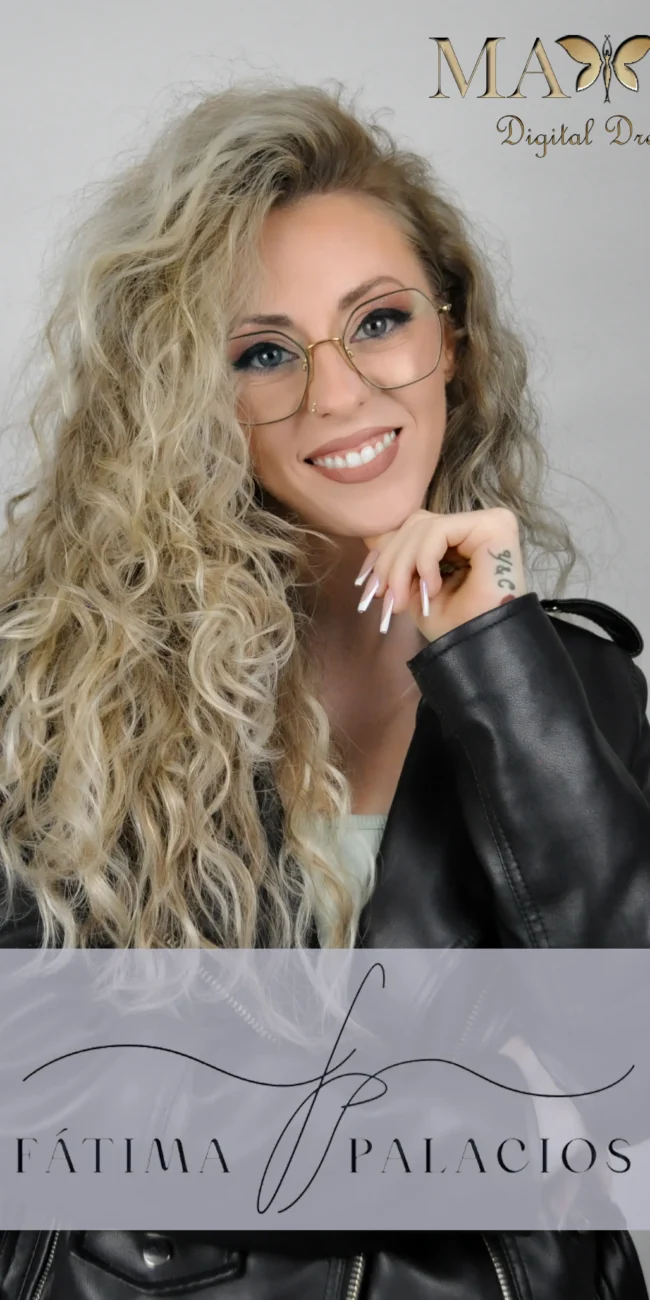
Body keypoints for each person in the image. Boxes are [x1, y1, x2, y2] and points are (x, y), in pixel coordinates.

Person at [0, 78, 649, 1300]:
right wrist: (502, 1128)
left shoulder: (570, 691)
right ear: (190, 396)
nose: (338, 393)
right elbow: (45, 1108)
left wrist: (495, 653)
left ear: (451, 339)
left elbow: (633, 1070)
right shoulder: (60, 683)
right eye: (262, 353)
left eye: (377, 321)